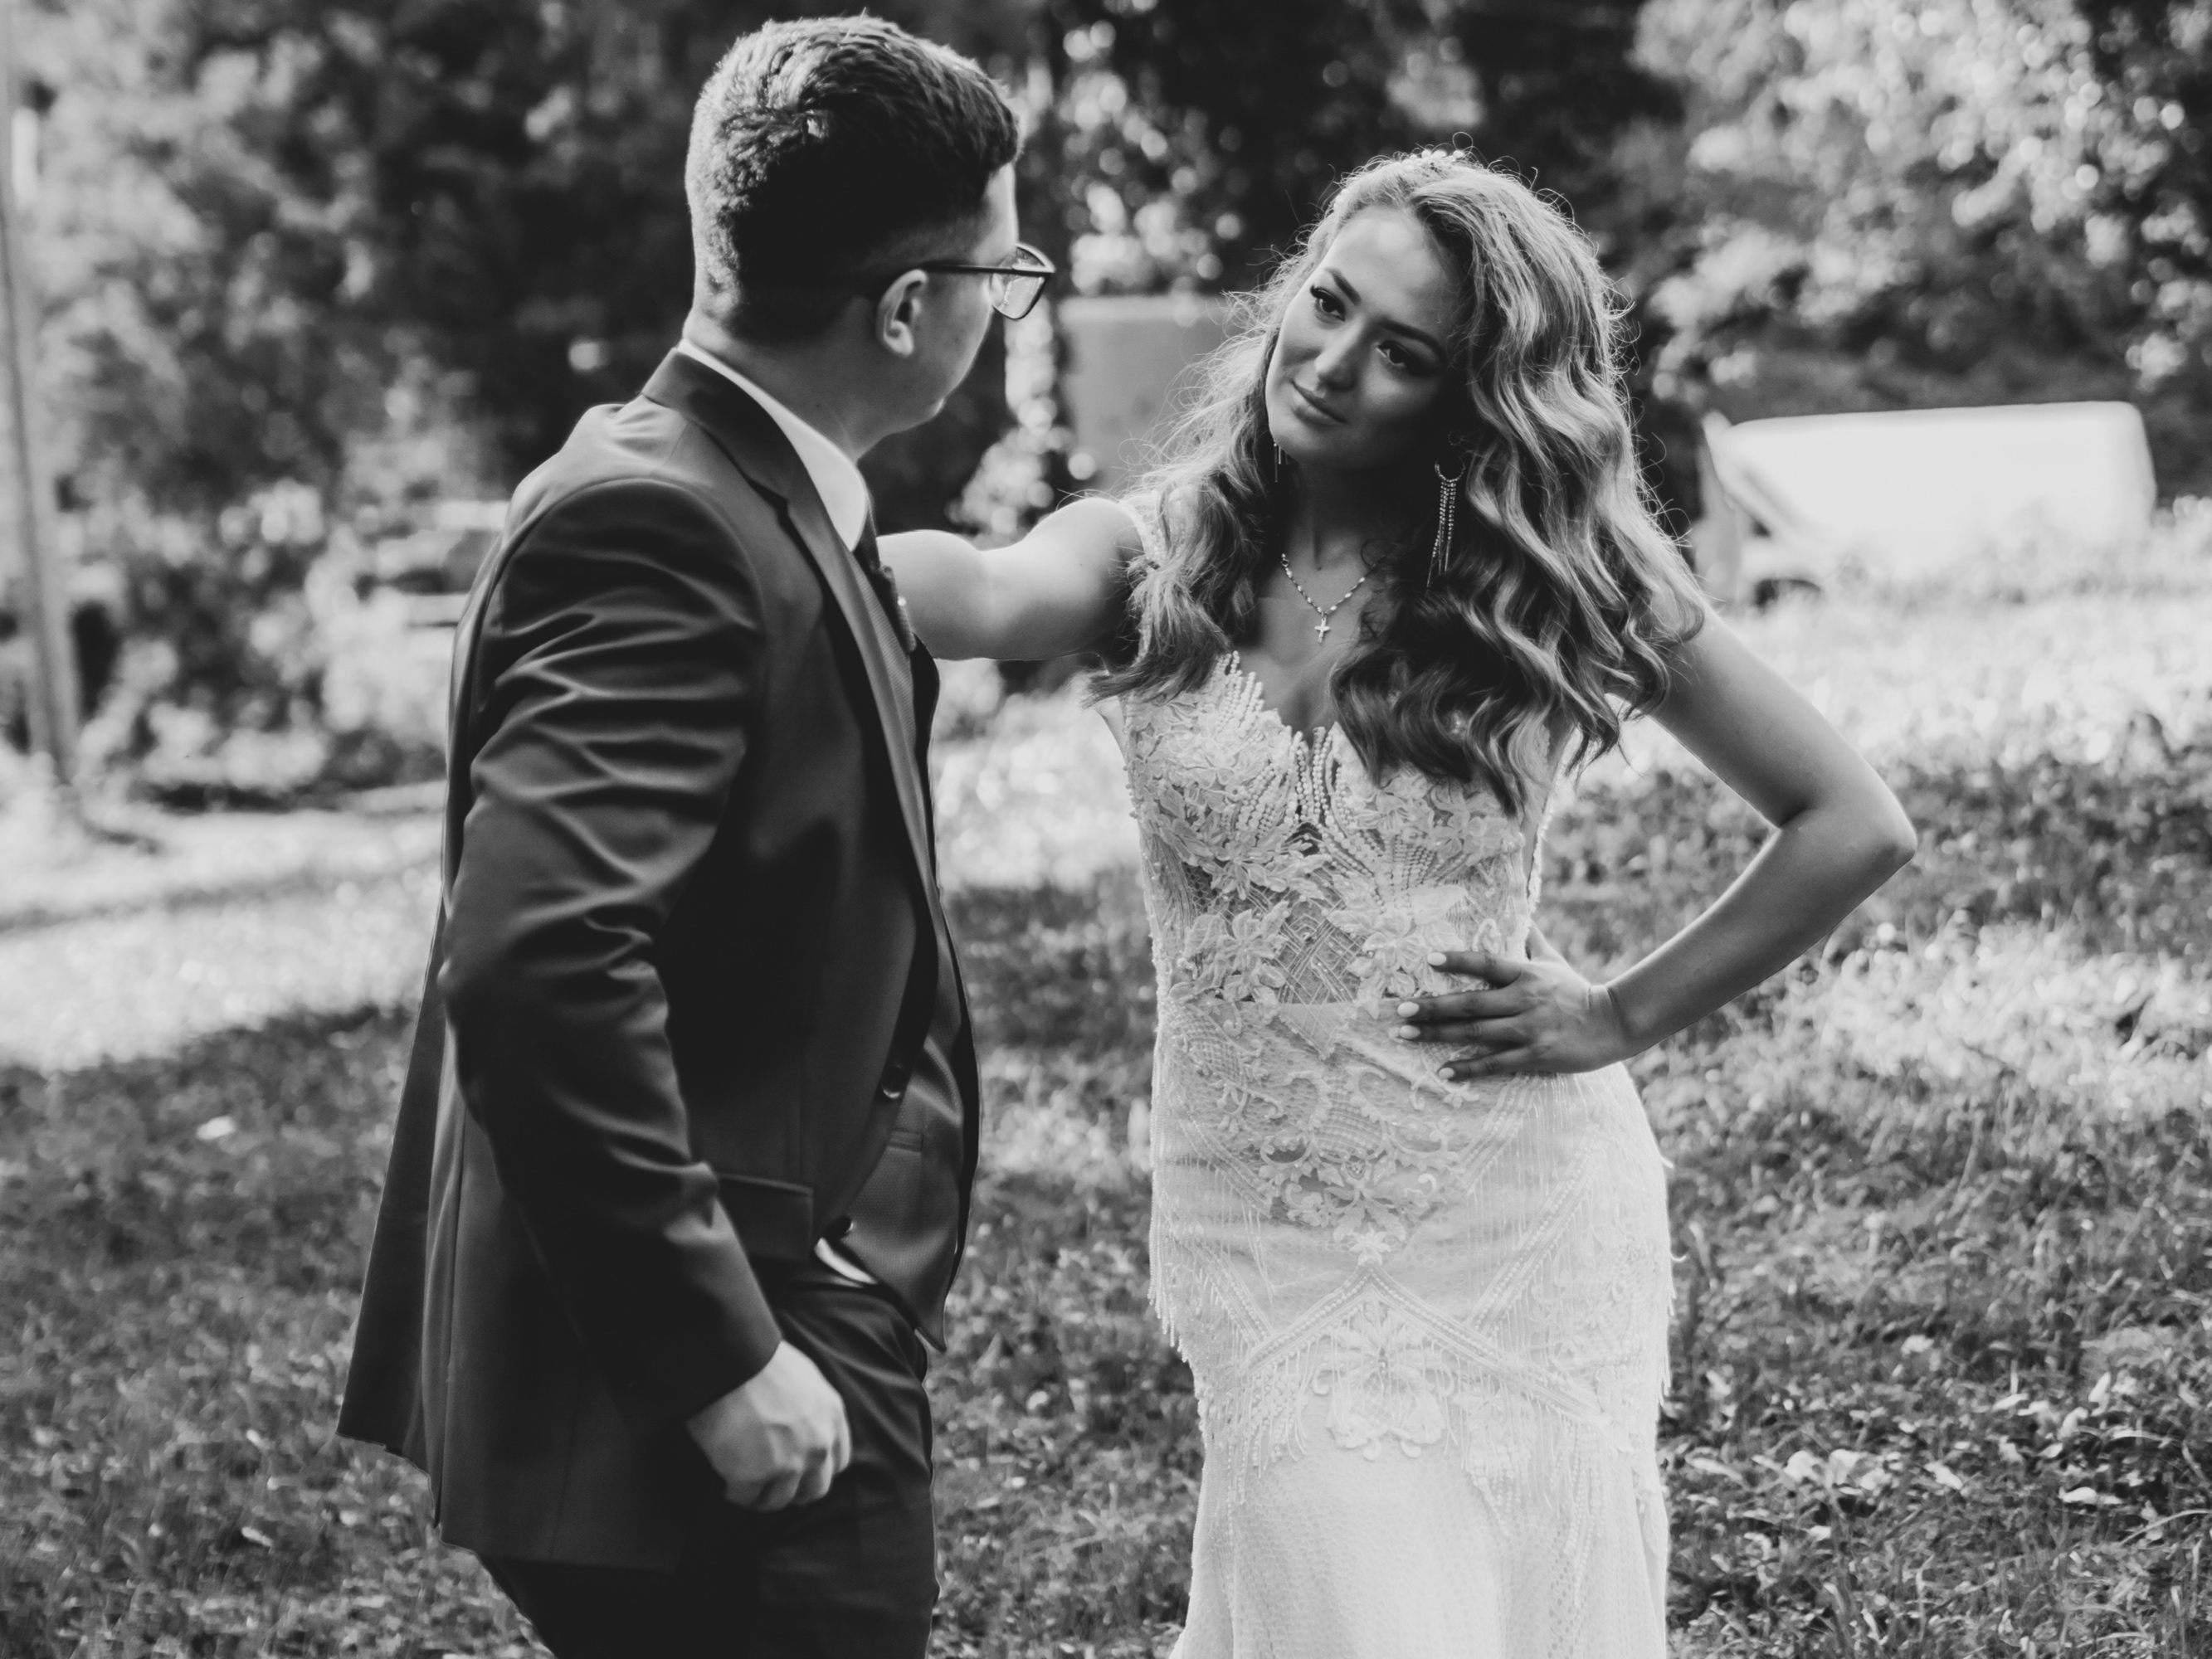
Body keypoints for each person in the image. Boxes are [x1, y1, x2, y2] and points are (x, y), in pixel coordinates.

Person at [880, 150, 1916, 1657]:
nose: (1332, 362)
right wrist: (759, 528)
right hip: (1261, 1218)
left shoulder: (1547, 579)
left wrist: (1620, 1013)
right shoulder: (1148, 556)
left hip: (1505, 1210)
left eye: (1403, 353)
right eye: (1328, 304)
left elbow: (1849, 821)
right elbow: (971, 592)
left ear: (1470, 398)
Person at [338, 19, 1052, 1657]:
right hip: (722, 1371)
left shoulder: (718, 483)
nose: (1002, 312)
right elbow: (537, 958)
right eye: (1004, 278)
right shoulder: (666, 528)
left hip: (772, 1297)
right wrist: (723, 1359)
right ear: (906, 307)